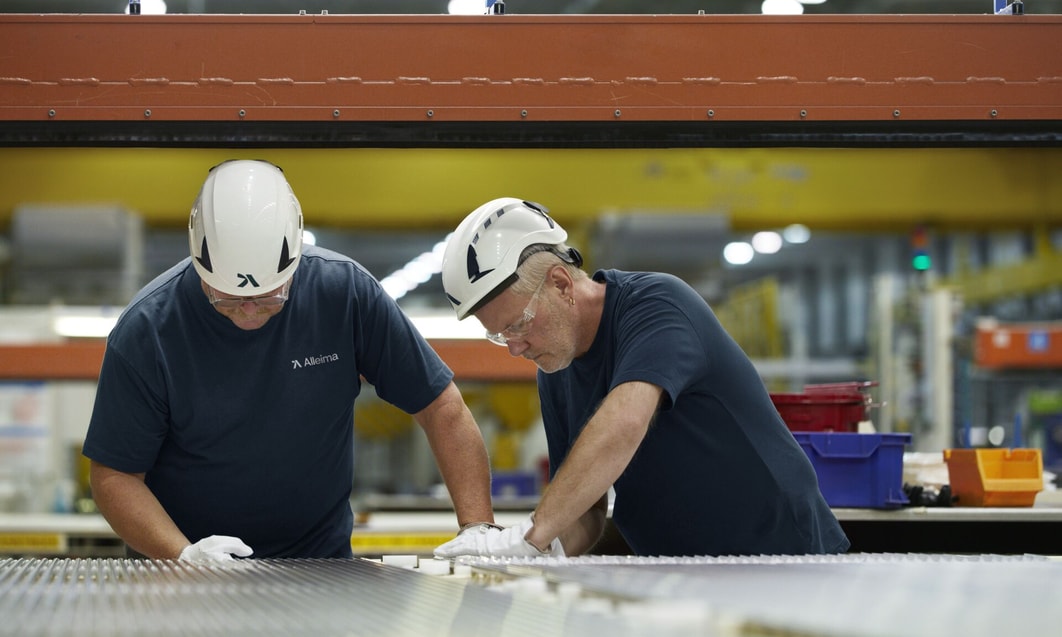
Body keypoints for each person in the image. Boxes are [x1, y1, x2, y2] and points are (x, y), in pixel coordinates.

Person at [83, 159, 496, 562]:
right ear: (198, 263)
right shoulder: (147, 330)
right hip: (177, 572)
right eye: (228, 298)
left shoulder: (344, 294)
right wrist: (184, 554)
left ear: (295, 261)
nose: (249, 312)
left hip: (318, 566)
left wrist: (478, 527)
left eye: (269, 296)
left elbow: (441, 407)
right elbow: (114, 476)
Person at [434, 197, 850, 558]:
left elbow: (624, 422)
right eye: (499, 335)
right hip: (683, 578)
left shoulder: (657, 306)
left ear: (561, 283)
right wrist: (540, 552)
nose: (514, 348)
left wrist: (528, 535)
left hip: (784, 558)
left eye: (520, 323)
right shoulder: (556, 369)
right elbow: (585, 510)